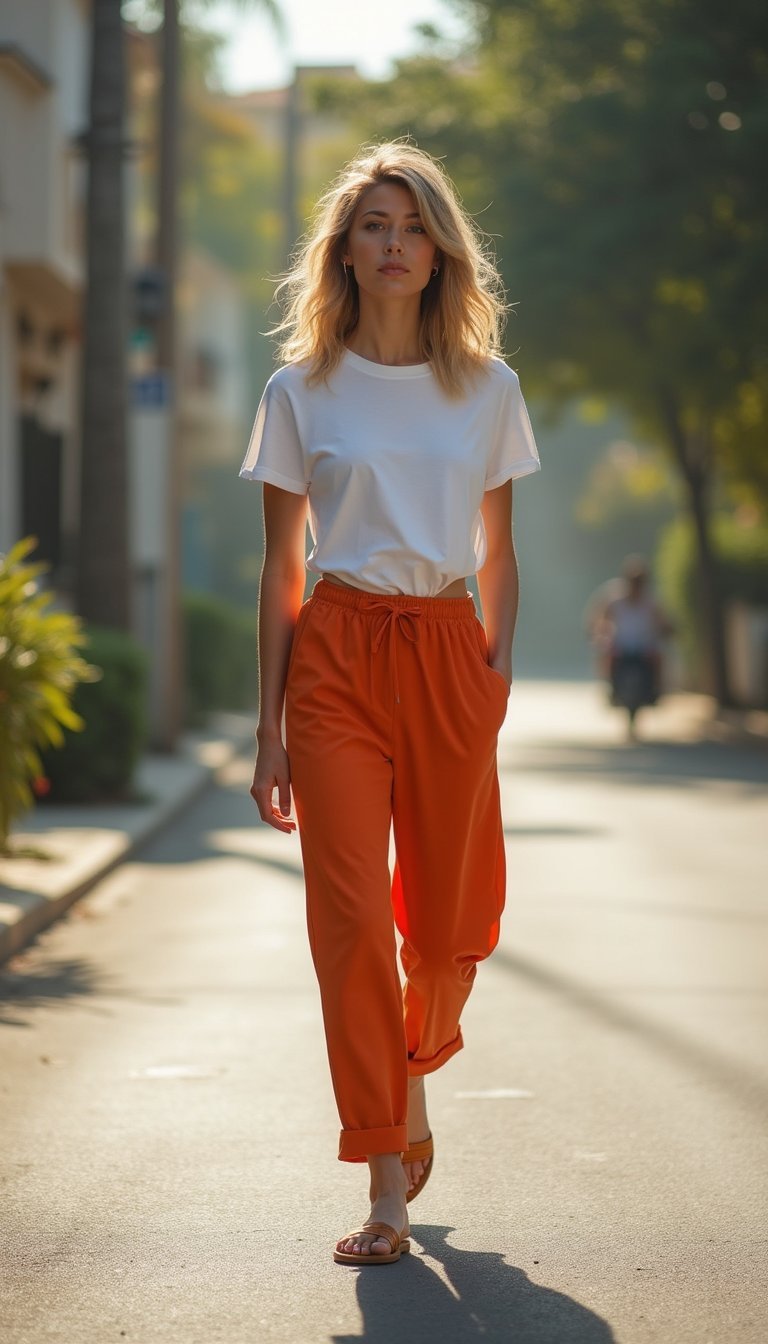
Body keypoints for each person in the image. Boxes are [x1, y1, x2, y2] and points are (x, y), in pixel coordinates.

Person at [240, 141, 541, 1266]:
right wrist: (265, 727)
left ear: (440, 247)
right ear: (347, 250)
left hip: (449, 653)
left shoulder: (489, 389)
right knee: (355, 920)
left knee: (449, 930)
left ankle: (413, 1076)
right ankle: (383, 1182)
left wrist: (495, 672)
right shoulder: (298, 390)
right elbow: (278, 573)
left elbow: (502, 557)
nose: (396, 243)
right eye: (375, 224)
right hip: (337, 657)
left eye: (413, 225)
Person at [586, 555, 675, 700]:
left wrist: (667, 630)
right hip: (621, 643)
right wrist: (598, 632)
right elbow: (599, 616)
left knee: (659, 658)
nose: (636, 586)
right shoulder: (614, 597)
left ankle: (658, 689)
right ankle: (610, 686)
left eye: (640, 582)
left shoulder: (651, 601)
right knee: (606, 655)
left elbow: (663, 620)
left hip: (645, 644)